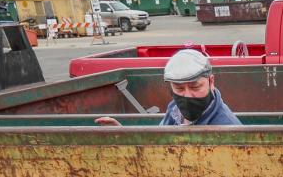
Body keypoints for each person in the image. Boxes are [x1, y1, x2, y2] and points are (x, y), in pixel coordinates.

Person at [95, 49, 241, 126]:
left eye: (195, 87)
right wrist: (123, 135)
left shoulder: (228, 128)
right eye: (179, 89)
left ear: (211, 82)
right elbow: (156, 146)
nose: (187, 96)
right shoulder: (175, 109)